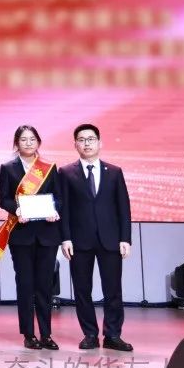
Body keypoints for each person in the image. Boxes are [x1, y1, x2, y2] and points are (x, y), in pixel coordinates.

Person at [59, 123, 133, 351]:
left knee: (113, 290)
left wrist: (125, 238)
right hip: (79, 241)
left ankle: (112, 335)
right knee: (82, 290)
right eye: (82, 140)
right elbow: (64, 208)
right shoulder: (66, 173)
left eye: (91, 139)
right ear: (75, 144)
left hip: (110, 240)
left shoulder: (115, 172)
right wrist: (65, 238)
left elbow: (123, 208)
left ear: (100, 143)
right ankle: (90, 334)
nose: (87, 143)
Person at [0, 125, 65, 351]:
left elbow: (59, 197)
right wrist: (17, 210)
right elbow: (3, 199)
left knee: (44, 286)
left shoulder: (49, 168)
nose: (28, 143)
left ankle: (46, 334)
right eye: (23, 139)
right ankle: (28, 334)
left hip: (47, 234)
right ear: (16, 143)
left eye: (32, 139)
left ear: (38, 142)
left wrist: (54, 209)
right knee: (25, 285)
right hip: (21, 234)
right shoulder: (8, 168)